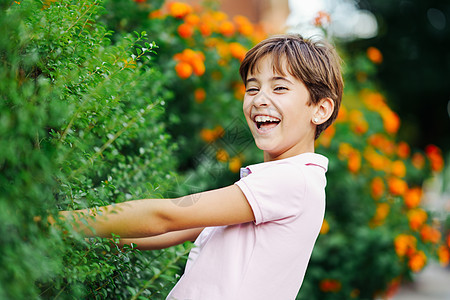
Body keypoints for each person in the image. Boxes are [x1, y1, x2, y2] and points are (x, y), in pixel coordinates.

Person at [56, 33, 344, 299]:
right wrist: (90, 240)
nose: (260, 99)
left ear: (320, 109)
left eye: (280, 88)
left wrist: (57, 225)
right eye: (252, 88)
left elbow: (166, 216)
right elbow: (170, 232)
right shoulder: (279, 183)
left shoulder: (293, 180)